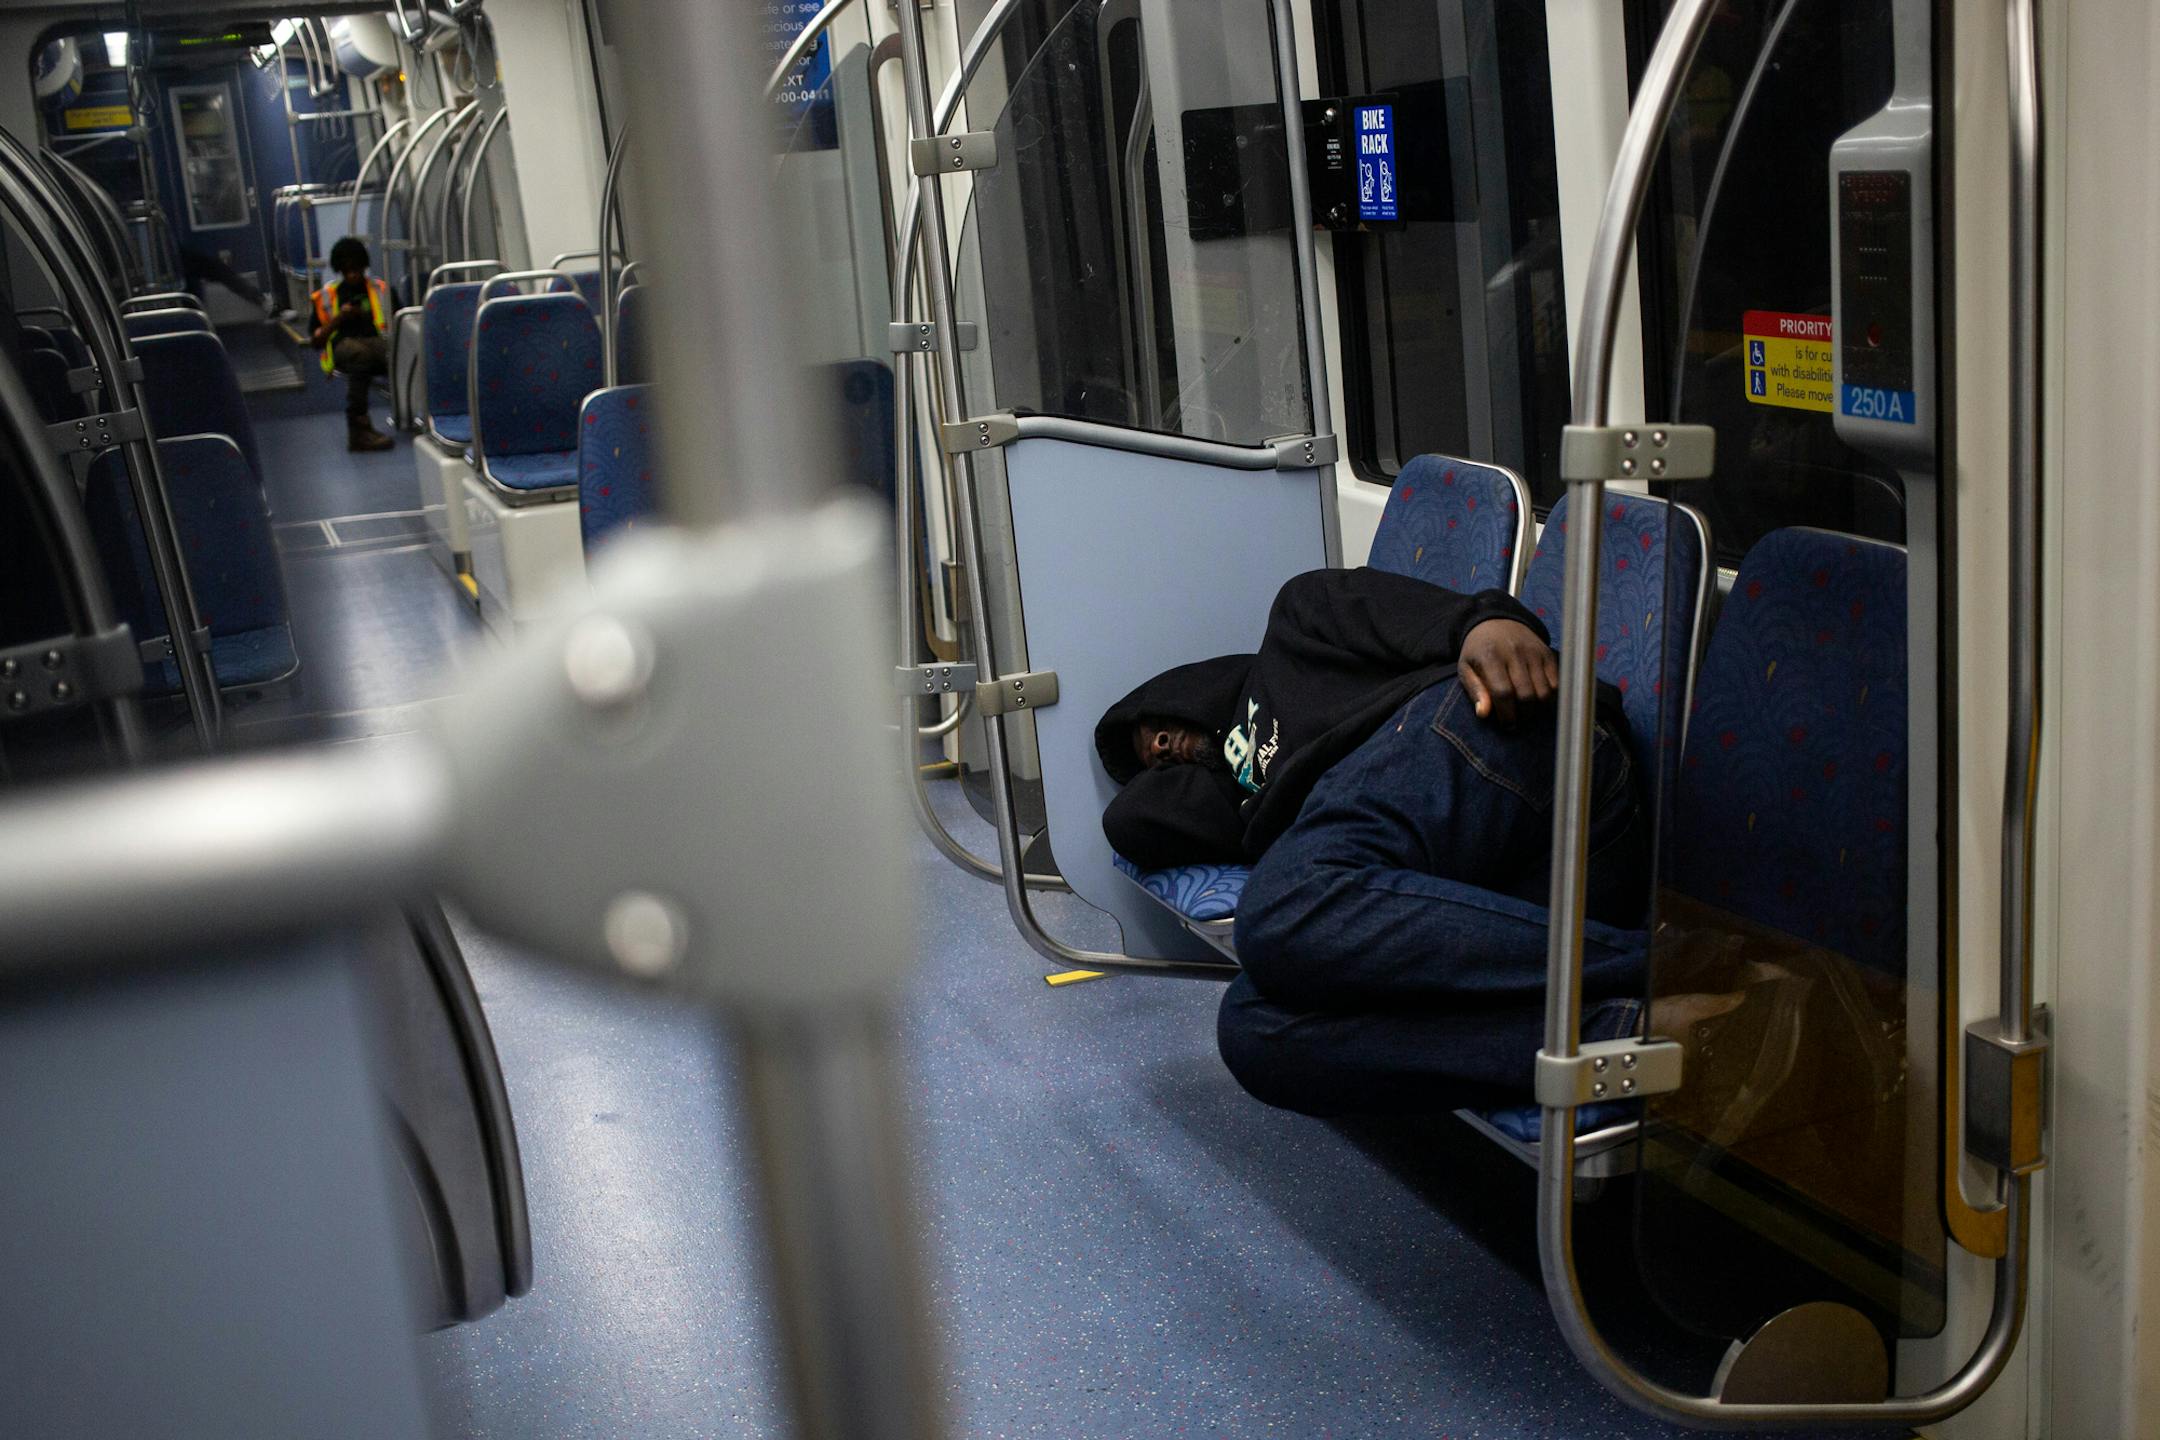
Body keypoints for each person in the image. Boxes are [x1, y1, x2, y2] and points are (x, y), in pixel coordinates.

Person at [1094, 565, 1661, 1116]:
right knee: (1253, 1031)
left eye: (1156, 728)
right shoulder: (1247, 808)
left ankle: (1665, 965)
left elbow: (1420, 616)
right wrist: (1206, 760)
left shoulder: (1296, 624)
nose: (1164, 745)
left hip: (1496, 739)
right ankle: (1632, 1025)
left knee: (1277, 910)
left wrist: (1488, 624)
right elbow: (1133, 822)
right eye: (1154, 758)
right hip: (1493, 891)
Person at [309, 236, 394, 452]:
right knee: (359, 354)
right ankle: (358, 429)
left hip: (379, 343)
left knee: (404, 352)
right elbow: (316, 341)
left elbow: (401, 322)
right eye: (347, 271)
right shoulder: (327, 296)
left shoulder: (381, 290)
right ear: (340, 271)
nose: (353, 274)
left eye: (356, 269)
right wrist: (339, 319)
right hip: (344, 347)